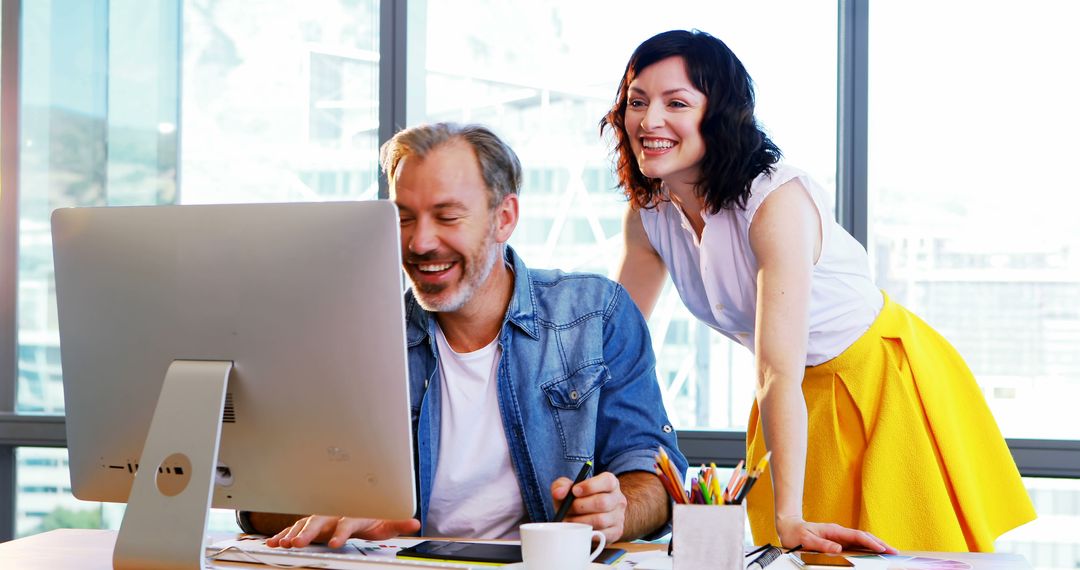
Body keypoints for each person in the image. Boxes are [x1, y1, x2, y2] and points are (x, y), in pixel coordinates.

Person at [602, 29, 1035, 553]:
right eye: (636, 102)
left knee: (889, 552)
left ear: (717, 114)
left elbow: (774, 369)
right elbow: (615, 346)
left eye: (677, 103)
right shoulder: (649, 215)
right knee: (803, 557)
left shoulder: (773, 201)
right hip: (792, 401)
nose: (649, 121)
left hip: (878, 384)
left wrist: (790, 514)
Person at [242, 122, 687, 548]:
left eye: (447, 216)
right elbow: (258, 500)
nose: (419, 243)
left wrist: (619, 510)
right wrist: (333, 510)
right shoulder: (354, 335)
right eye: (404, 218)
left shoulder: (595, 314)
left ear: (504, 218)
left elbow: (654, 475)